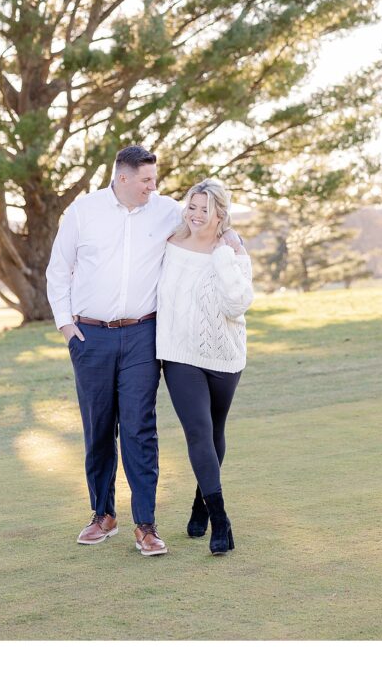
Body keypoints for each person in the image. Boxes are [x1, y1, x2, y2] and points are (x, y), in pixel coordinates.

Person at [46, 145, 182, 557]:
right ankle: (103, 514)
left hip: (143, 334)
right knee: (99, 428)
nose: (152, 187)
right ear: (122, 177)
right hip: (90, 338)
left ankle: (146, 526)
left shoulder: (166, 210)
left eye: (153, 180)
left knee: (140, 429)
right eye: (145, 180)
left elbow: (204, 217)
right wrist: (67, 326)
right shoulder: (83, 211)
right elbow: (58, 269)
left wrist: (230, 233)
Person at [156, 178, 253, 555]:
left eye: (205, 210)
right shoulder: (170, 245)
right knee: (198, 431)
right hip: (179, 355)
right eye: (192, 207)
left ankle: (200, 503)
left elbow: (237, 304)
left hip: (225, 356)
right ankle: (220, 518)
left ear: (220, 215)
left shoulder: (230, 249)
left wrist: (226, 256)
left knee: (215, 432)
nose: (196, 215)